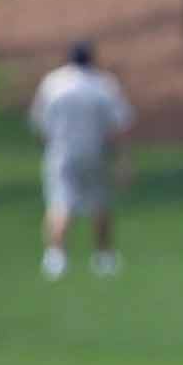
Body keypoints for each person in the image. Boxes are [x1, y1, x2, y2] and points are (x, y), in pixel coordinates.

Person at [28, 41, 136, 280]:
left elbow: (38, 122)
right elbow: (121, 122)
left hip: (60, 151)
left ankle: (56, 258)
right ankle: (104, 256)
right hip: (94, 151)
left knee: (60, 202)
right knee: (98, 203)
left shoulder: (53, 84)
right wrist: (124, 159)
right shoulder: (103, 84)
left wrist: (47, 143)